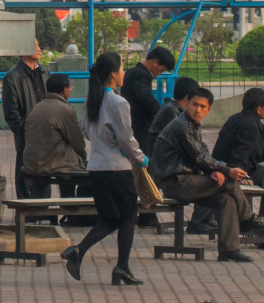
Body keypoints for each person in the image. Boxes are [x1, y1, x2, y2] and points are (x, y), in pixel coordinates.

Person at [62, 51, 149, 286]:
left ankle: (80, 251)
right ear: (113, 74)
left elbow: (87, 132)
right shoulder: (118, 103)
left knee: (111, 217)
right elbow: (126, 138)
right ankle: (121, 266)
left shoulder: (93, 99)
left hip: (97, 166)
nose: (123, 73)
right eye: (121, 69)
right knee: (129, 215)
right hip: (117, 169)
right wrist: (140, 158)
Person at [151, 84, 254, 261]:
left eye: (202, 107)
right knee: (229, 181)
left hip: (188, 180)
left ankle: (229, 250)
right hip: (175, 182)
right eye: (194, 105)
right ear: (187, 104)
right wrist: (226, 170)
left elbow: (202, 154)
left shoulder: (192, 125)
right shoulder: (181, 126)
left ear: (209, 110)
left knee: (226, 200)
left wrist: (213, 170)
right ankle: (248, 219)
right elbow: (199, 157)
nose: (198, 109)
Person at [21, 73, 89, 197]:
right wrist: (83, 158)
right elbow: (78, 142)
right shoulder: (65, 109)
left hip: (32, 161)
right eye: (70, 88)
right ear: (64, 90)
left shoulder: (37, 107)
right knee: (86, 173)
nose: (70, 91)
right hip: (52, 163)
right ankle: (72, 208)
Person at [2, 45, 49, 198]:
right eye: (35, 46)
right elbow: (11, 113)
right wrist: (24, 131)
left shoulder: (44, 72)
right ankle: (27, 214)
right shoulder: (13, 76)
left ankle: (43, 212)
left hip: (46, 135)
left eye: (39, 45)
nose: (39, 49)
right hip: (27, 137)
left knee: (45, 176)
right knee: (25, 175)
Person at [120, 45, 176, 146]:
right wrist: (161, 114)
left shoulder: (133, 72)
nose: (159, 74)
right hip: (139, 126)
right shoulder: (141, 75)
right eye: (161, 70)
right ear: (154, 62)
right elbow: (146, 99)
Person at [213, 88, 264, 179]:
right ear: (258, 109)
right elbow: (239, 157)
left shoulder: (235, 118)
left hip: (221, 167)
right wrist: (241, 178)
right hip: (231, 172)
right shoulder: (250, 126)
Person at [147, 75, 201, 156]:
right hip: (165, 162)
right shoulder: (172, 110)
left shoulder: (173, 108)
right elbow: (186, 142)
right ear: (188, 96)